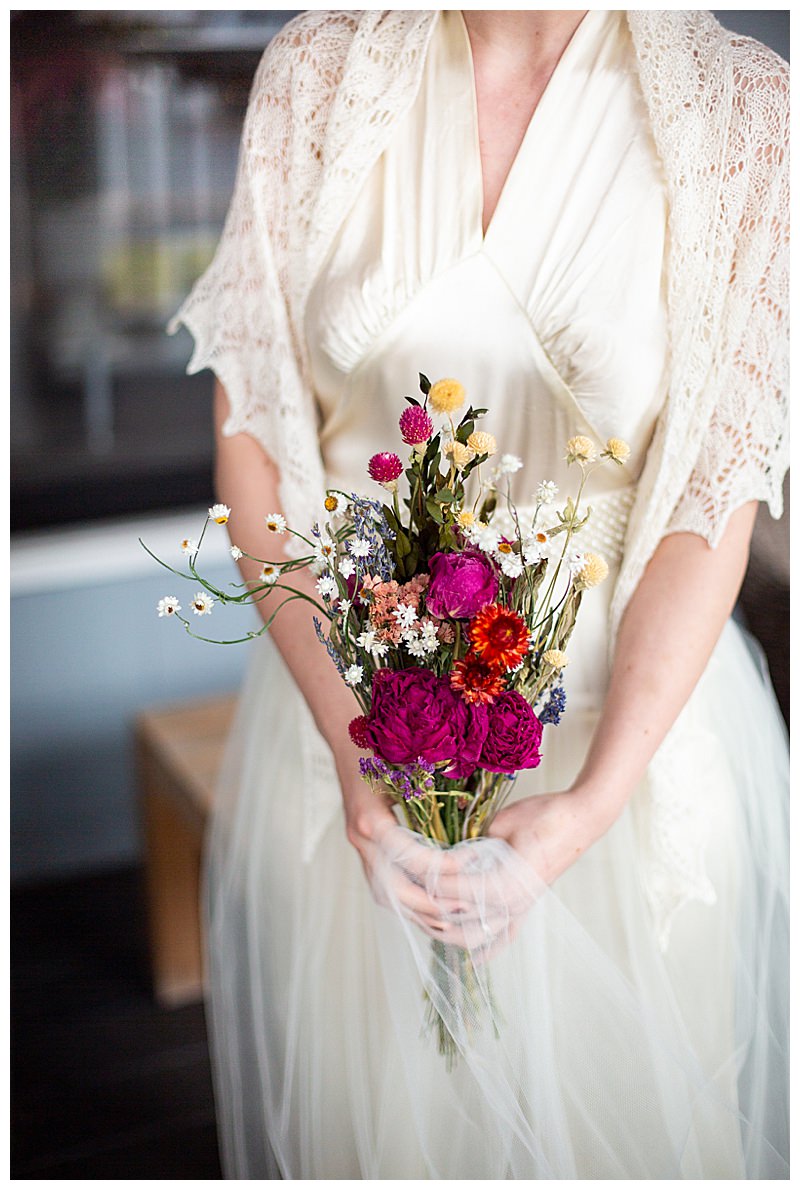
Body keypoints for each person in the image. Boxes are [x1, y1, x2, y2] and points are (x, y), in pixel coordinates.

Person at [170, 9, 789, 1179]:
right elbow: (252, 432)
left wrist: (588, 807)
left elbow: (714, 497)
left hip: (626, 750)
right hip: (351, 727)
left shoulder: (744, 110)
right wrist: (362, 769)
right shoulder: (317, 69)